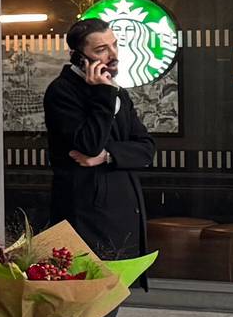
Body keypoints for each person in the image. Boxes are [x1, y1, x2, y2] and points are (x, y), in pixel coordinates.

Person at [43, 17, 154, 260]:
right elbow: (89, 144)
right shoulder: (62, 92)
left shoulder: (117, 91)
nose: (113, 55)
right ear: (78, 57)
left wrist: (108, 156)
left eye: (115, 45)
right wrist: (102, 93)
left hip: (125, 211)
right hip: (87, 217)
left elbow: (146, 149)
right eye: (101, 50)